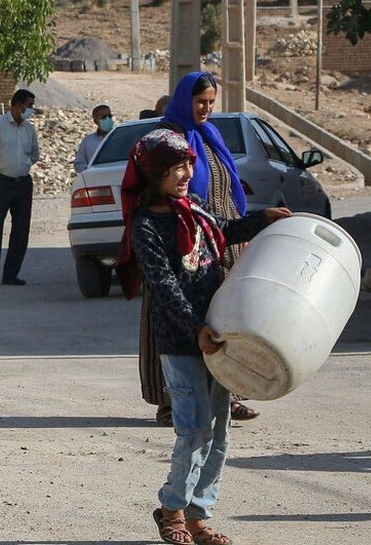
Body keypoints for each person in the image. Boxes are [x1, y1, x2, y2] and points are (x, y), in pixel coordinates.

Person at [117, 128, 289, 545]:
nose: (185, 173)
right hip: (183, 342)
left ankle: (198, 516)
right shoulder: (146, 226)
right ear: (155, 174)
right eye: (176, 167)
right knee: (193, 429)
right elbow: (163, 286)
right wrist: (195, 331)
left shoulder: (192, 208)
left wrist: (261, 220)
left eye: (188, 165)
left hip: (220, 332)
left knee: (219, 430)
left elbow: (224, 230)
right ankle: (171, 509)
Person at [145, 73, 259, 425]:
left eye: (211, 102)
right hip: (180, 240)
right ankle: (169, 400)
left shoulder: (211, 136)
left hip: (222, 239)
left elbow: (225, 190)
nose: (206, 109)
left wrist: (245, 225)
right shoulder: (167, 139)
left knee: (224, 317)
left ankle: (229, 395)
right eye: (200, 102)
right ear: (184, 100)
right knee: (174, 316)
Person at [0, 88, 39, 286]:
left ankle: (11, 274)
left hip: (23, 184)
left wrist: (23, 165)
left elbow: (35, 154)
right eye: (29, 105)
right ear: (18, 105)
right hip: (1, 183)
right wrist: (1, 166)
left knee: (21, 231)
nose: (31, 110)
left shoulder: (30, 129)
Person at [73, 104, 115, 171]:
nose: (108, 119)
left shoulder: (120, 137)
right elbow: (78, 164)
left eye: (109, 116)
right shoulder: (87, 142)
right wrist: (91, 170)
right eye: (104, 117)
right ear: (96, 121)